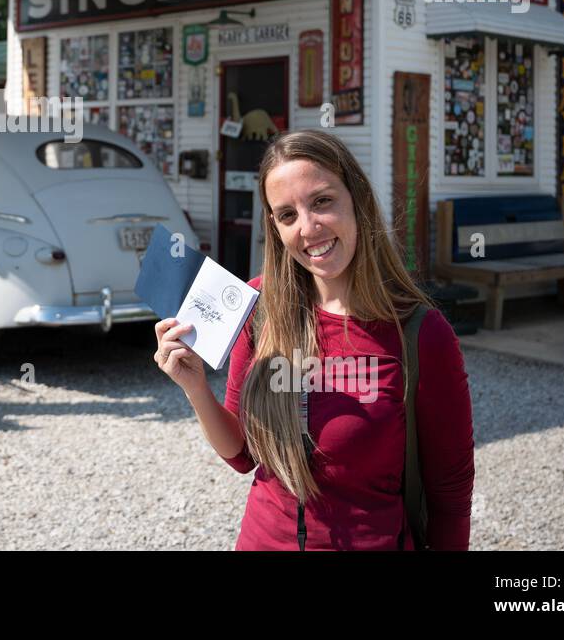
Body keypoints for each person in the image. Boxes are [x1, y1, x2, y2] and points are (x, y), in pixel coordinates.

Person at [155, 129, 475, 550]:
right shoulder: (259, 308)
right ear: (275, 226)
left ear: (356, 199)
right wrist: (195, 387)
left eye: (322, 201)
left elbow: (450, 497)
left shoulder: (420, 333)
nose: (308, 228)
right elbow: (242, 455)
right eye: (287, 215)